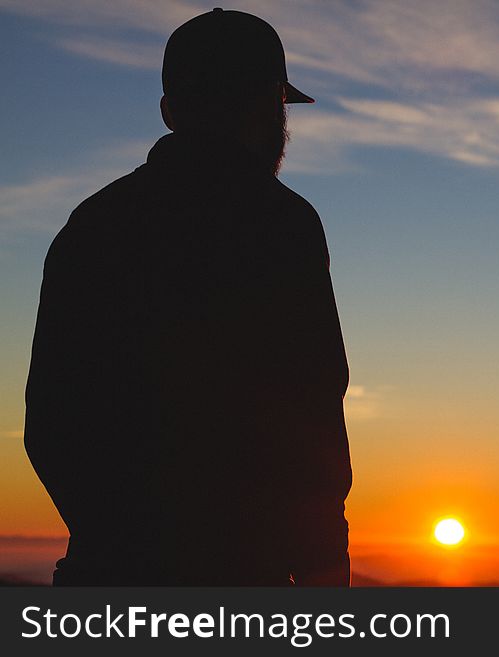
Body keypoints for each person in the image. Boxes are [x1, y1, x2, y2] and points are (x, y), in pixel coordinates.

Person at [24, 8, 352, 586]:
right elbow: (311, 413)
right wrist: (325, 570)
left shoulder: (95, 224)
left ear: (169, 109)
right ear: (267, 107)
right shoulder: (280, 224)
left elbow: (51, 422)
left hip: (107, 578)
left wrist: (114, 539)